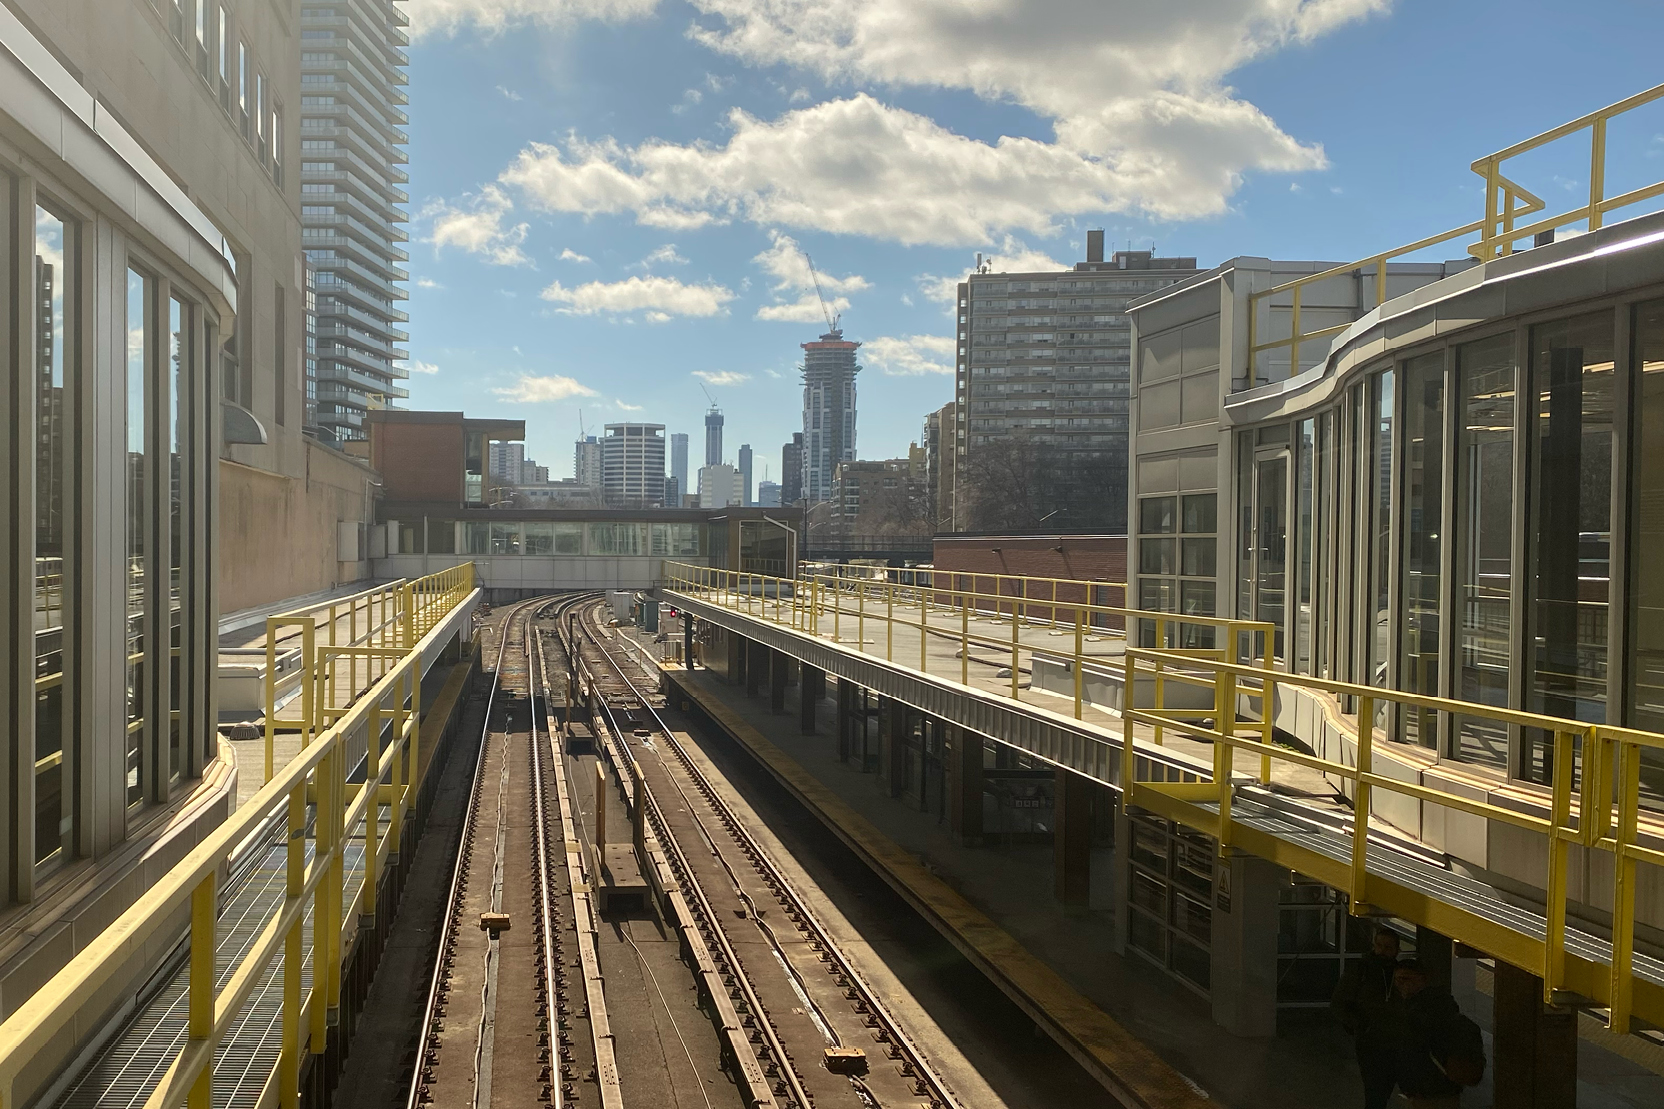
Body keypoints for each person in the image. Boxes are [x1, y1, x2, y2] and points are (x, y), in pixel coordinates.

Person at [1387, 959, 1486, 1108]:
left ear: (1421, 979)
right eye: (1397, 980)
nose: (1400, 984)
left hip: (1428, 1090)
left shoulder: (1421, 1012)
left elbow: (1414, 1051)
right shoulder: (1440, 1003)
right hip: (1444, 1087)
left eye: (1405, 978)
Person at [1332, 927, 1403, 1109]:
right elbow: (1339, 1003)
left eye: (1387, 947)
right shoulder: (1361, 970)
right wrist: (1358, 1025)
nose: (1382, 951)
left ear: (1396, 951)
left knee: (1385, 1085)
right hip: (1369, 1040)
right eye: (1379, 946)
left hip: (1394, 1039)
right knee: (1375, 1088)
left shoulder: (1400, 973)